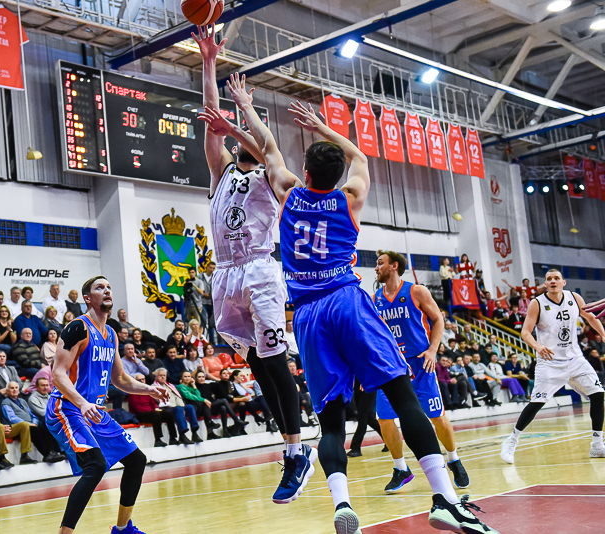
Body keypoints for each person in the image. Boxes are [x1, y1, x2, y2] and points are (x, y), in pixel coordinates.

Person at [220, 75, 496, 533]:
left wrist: (244, 108)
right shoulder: (350, 199)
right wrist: (323, 127)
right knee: (403, 397)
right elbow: (361, 157)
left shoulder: (289, 192)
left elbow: (268, 149)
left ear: (306, 172)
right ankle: (445, 499)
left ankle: (343, 505)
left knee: (330, 425)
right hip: (347, 301)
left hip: (307, 316)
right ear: (337, 176)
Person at [194, 26, 314, 506]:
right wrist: (208, 63)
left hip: (259, 271)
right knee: (258, 366)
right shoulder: (222, 171)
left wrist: (244, 112)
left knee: (276, 363)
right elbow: (211, 122)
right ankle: (290, 445)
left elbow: (266, 146)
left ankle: (296, 450)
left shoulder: (271, 174)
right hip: (225, 274)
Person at [46, 276, 168, 534]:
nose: (107, 290)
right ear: (87, 298)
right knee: (96, 465)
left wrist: (150, 389)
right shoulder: (77, 328)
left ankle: (122, 529)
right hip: (67, 407)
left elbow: (120, 379)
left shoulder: (111, 334)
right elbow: (57, 374)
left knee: (136, 460)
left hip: (94, 411)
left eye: (109, 287)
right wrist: (82, 403)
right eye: (99, 288)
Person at [372, 251, 470, 492]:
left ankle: (453, 458)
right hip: (391, 366)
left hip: (420, 364)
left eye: (380, 263)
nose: (376, 267)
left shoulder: (417, 291)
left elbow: (438, 319)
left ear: (394, 266)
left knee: (436, 416)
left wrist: (433, 350)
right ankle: (401, 468)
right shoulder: (375, 298)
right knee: (384, 419)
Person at [501, 269, 605, 463]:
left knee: (598, 394)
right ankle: (511, 441)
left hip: (575, 359)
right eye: (549, 279)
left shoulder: (574, 298)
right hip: (550, 362)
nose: (553, 281)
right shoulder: (537, 303)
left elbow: (591, 318)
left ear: (564, 282)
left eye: (557, 278)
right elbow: (525, 332)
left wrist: (604, 335)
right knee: (537, 402)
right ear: (546, 284)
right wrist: (538, 347)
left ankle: (597, 444)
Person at [1, 381, 63, 463]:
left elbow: (32, 414)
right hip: (18, 426)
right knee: (34, 430)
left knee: (45, 426)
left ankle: (55, 451)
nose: (14, 390)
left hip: (30, 424)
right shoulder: (6, 402)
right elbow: (11, 418)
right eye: (12, 388)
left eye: (16, 388)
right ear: (7, 391)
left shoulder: (22, 401)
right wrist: (28, 424)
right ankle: (47, 454)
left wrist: (34, 422)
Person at [127, 374, 178, 447]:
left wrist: (156, 408)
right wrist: (153, 411)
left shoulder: (147, 391)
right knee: (155, 415)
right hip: (139, 415)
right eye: (139, 380)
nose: (141, 381)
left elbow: (153, 403)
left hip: (151, 413)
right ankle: (158, 440)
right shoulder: (133, 392)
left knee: (168, 413)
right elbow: (137, 408)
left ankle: (173, 438)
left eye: (143, 379)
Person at [154, 368, 201, 445]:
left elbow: (178, 397)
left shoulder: (170, 385)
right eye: (160, 375)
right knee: (179, 409)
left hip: (177, 407)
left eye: (164, 375)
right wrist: (179, 408)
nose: (163, 377)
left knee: (190, 407)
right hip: (165, 408)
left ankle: (194, 432)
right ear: (156, 377)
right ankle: (182, 435)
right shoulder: (153, 387)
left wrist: (182, 407)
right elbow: (158, 399)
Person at [178, 371, 221, 438]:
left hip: (196, 406)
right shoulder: (180, 386)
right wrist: (204, 400)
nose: (187, 378)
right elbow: (189, 396)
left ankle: (210, 428)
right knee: (202, 404)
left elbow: (198, 395)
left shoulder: (191, 386)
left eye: (189, 376)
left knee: (205, 405)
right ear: (182, 378)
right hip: (188, 406)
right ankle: (207, 426)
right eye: (185, 376)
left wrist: (194, 385)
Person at [198, 262, 217, 343]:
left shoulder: (215, 278)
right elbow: (196, 289)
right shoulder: (200, 277)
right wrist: (203, 294)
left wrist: (211, 294)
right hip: (202, 302)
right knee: (203, 322)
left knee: (211, 323)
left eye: (213, 268)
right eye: (210, 267)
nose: (212, 269)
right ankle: (202, 340)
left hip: (211, 303)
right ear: (206, 267)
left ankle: (212, 342)